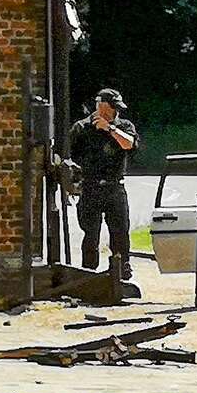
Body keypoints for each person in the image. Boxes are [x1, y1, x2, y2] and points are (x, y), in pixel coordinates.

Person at [69, 88, 139, 278]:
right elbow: (69, 156)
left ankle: (121, 270)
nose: (116, 112)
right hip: (90, 187)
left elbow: (129, 144)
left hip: (115, 186)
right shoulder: (82, 128)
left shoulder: (123, 125)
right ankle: (88, 273)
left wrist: (110, 128)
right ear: (100, 106)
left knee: (120, 232)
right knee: (90, 233)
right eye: (112, 107)